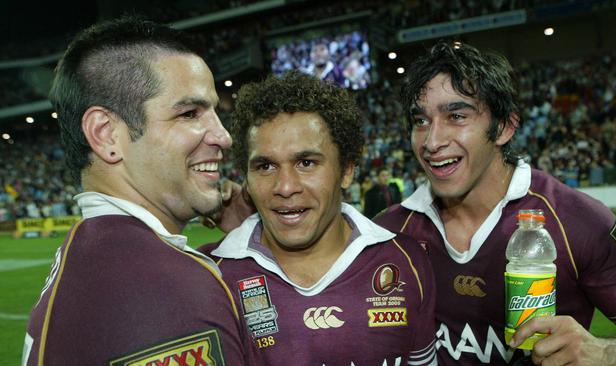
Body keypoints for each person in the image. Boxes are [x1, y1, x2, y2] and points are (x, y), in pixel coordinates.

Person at [374, 41, 616, 365]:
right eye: (420, 121)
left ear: (504, 126)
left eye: (457, 115)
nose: (432, 141)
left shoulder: (576, 221)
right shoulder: (387, 232)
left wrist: (609, 353)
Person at [23, 17, 254, 365]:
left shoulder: (97, 255)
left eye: (215, 112)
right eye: (190, 113)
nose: (223, 136)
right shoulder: (159, 289)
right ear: (106, 134)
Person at [199, 71, 437, 365]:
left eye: (306, 162)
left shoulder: (406, 261)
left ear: (347, 170)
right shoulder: (210, 278)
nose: (285, 187)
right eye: (265, 166)